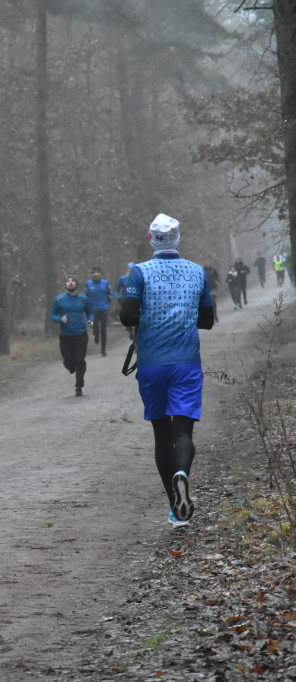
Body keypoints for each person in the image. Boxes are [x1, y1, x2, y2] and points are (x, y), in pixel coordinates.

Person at [120, 214, 213, 529]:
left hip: (152, 365)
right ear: (178, 238)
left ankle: (176, 509)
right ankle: (183, 473)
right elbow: (207, 320)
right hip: (186, 362)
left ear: (150, 240)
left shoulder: (139, 274)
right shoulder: (197, 272)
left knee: (161, 433)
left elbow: (127, 315)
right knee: (183, 432)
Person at [49, 275, 93, 396]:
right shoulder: (59, 300)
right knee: (68, 362)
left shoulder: (83, 299)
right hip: (66, 336)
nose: (70, 282)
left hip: (81, 334)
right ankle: (70, 366)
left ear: (76, 284)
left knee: (79, 360)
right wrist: (60, 319)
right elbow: (52, 315)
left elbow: (90, 313)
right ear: (65, 285)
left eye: (73, 281)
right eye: (68, 281)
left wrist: (91, 320)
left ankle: (79, 386)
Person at [85, 266, 112, 356]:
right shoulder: (88, 284)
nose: (96, 274)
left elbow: (109, 293)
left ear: (100, 274)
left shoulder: (105, 283)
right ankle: (96, 334)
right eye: (94, 273)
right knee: (95, 327)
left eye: (97, 273)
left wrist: (109, 298)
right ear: (92, 274)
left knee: (103, 329)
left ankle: (103, 350)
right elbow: (86, 295)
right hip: (93, 309)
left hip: (104, 308)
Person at [114, 263, 136, 340]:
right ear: (127, 269)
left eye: (133, 268)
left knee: (136, 318)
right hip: (125, 301)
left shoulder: (138, 278)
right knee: (126, 318)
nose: (131, 270)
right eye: (129, 268)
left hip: (135, 300)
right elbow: (116, 290)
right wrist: (119, 298)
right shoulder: (122, 279)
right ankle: (130, 330)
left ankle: (136, 335)